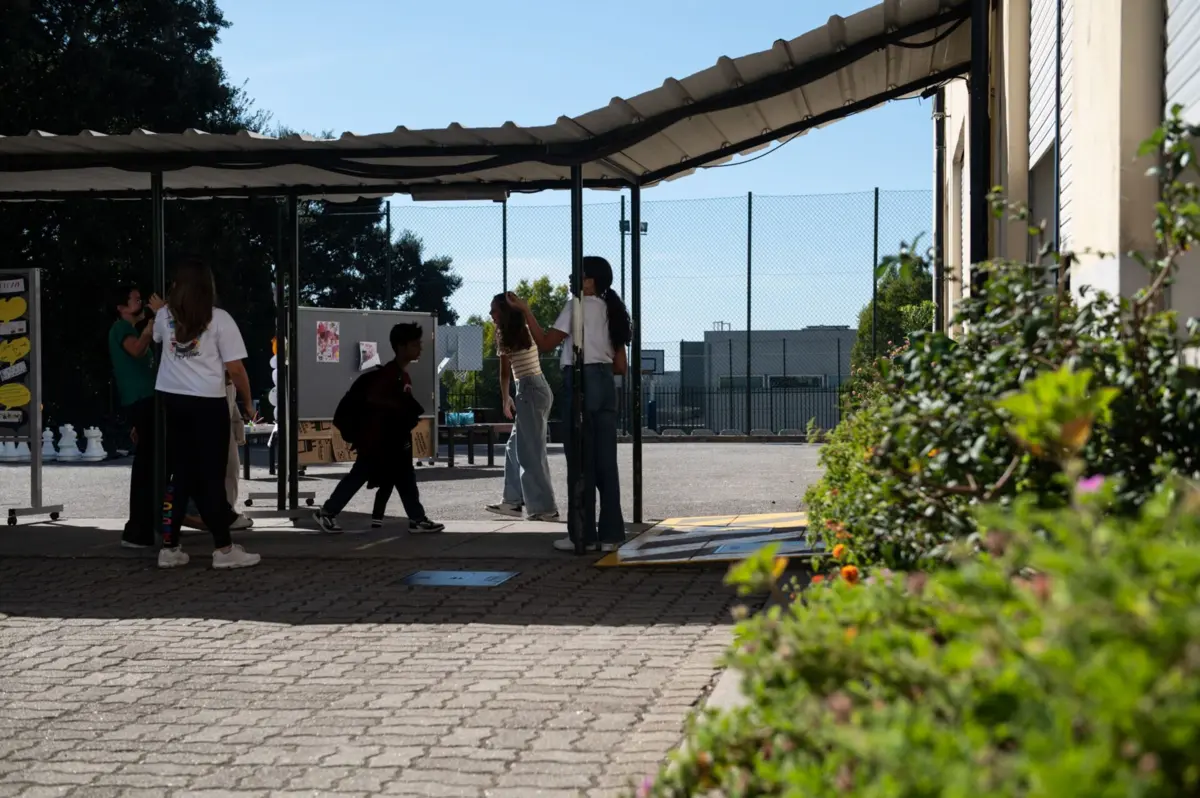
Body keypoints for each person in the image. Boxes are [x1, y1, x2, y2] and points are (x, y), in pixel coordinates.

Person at [509, 255, 631, 552]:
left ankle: (583, 534)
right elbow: (621, 366)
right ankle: (611, 535)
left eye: (578, 274)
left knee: (579, 462)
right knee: (606, 462)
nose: (571, 278)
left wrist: (526, 311)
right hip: (604, 384)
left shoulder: (575, 306)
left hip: (579, 382)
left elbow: (546, 342)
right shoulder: (612, 310)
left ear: (590, 281)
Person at [152, 258, 260, 570]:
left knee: (179, 474)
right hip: (207, 404)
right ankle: (224, 549)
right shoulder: (220, 320)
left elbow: (158, 338)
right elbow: (236, 368)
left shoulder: (164, 316)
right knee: (211, 476)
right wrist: (248, 403)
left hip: (172, 401)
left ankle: (169, 548)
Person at [312, 323, 445, 534]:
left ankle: (417, 518)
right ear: (401, 347)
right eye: (415, 344)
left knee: (404, 477)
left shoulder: (398, 375)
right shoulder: (390, 377)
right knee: (363, 475)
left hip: (390, 440)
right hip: (381, 441)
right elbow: (381, 406)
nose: (419, 348)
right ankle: (327, 512)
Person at [484, 293, 558, 521]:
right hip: (535, 389)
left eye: (494, 310)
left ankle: (545, 509)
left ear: (504, 312)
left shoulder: (508, 333)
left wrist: (506, 398)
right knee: (513, 448)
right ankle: (513, 501)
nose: (491, 315)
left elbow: (505, 371)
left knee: (531, 454)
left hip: (529, 391)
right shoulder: (522, 329)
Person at [108, 285, 164, 549]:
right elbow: (137, 350)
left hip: (144, 401)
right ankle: (137, 529)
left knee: (151, 460)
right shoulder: (121, 329)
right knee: (146, 463)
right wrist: (152, 324)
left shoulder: (129, 328)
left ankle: (148, 523)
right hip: (141, 400)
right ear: (120, 308)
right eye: (133, 299)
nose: (139, 300)